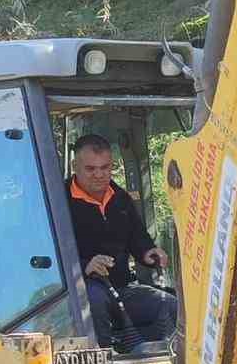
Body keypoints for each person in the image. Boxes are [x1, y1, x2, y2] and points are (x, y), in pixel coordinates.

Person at [66, 133, 176, 350]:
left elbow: (137, 236)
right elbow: (47, 255)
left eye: (105, 167)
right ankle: (103, 361)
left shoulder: (120, 198)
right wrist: (85, 265)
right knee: (94, 301)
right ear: (74, 166)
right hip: (82, 291)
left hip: (122, 288)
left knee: (172, 306)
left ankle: (171, 357)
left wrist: (148, 252)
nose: (99, 175)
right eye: (90, 169)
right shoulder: (59, 201)